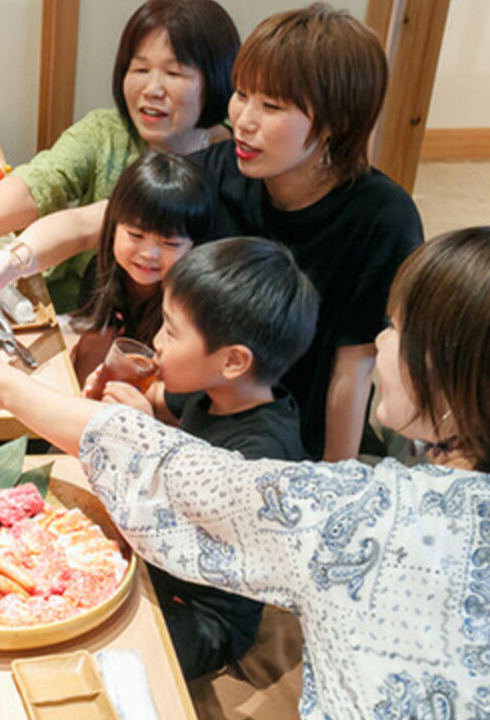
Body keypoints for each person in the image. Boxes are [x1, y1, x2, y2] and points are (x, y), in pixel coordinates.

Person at [0, 224, 490, 719]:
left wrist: (3, 387)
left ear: (466, 384)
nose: (379, 340)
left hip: (209, 615)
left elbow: (177, 476)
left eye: (400, 329)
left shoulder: (367, 520)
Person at [189, 4, 423, 460]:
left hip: (292, 446)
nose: (243, 119)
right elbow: (107, 218)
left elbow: (352, 372)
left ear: (336, 125)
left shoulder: (382, 218)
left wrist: (334, 484)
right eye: (241, 94)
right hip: (201, 417)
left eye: (272, 106)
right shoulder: (223, 171)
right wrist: (15, 259)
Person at [90, 237, 318, 680]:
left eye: (171, 331)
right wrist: (119, 395)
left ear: (233, 360)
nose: (156, 342)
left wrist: (143, 436)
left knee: (110, 655)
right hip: (156, 564)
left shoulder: (261, 455)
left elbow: (178, 518)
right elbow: (159, 398)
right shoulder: (213, 387)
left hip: (205, 612)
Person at [0, 0, 239, 310]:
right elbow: (43, 181)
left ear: (215, 78)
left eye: (174, 73)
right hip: (78, 313)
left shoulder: (236, 165)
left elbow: (91, 224)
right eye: (140, 69)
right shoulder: (107, 131)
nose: (152, 89)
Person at [65, 150, 213, 381]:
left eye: (170, 243)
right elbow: (86, 367)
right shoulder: (100, 273)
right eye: (135, 235)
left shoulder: (193, 305)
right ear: (113, 229)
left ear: (195, 246)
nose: (148, 254)